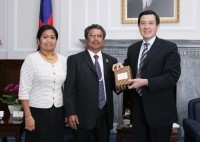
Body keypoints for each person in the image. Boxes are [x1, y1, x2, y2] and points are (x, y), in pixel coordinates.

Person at [113, 10, 181, 142]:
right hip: (138, 110)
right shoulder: (133, 48)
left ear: (157, 26)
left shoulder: (169, 48)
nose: (146, 27)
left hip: (160, 112)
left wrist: (146, 82)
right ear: (138, 26)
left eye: (151, 23)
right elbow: (130, 68)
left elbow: (172, 77)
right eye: (143, 23)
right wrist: (120, 66)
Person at [63, 24, 118, 142]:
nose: (96, 39)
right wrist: (71, 113)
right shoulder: (74, 60)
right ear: (86, 39)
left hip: (104, 115)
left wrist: (123, 79)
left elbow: (115, 87)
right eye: (92, 36)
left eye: (99, 36)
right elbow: (69, 90)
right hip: (82, 117)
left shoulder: (112, 61)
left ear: (103, 40)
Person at [18, 25, 67, 142]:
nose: (49, 40)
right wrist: (28, 116)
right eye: (45, 37)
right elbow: (24, 91)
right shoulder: (31, 59)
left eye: (52, 37)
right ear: (38, 40)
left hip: (58, 112)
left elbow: (67, 87)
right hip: (37, 112)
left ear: (56, 40)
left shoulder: (63, 60)